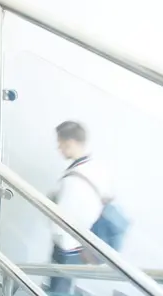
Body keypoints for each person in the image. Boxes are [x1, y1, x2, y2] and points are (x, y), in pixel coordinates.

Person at [47, 121, 114, 294]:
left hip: (67, 245)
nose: (59, 149)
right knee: (67, 282)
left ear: (71, 143)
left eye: (61, 144)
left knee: (58, 287)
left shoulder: (72, 181)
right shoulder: (98, 168)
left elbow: (59, 222)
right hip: (86, 241)